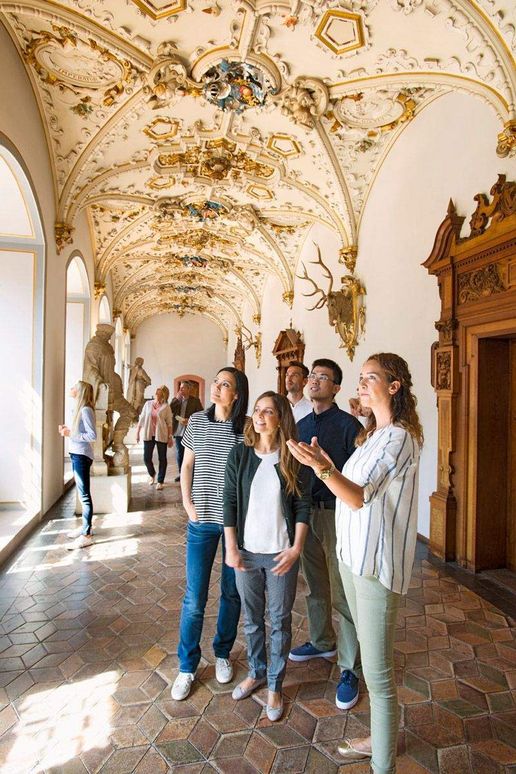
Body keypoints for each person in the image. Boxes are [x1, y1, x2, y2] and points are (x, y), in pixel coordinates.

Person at [287, 353, 423, 774]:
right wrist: (326, 465)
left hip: (376, 567)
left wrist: (323, 468)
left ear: (394, 386)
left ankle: (383, 765)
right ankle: (378, 740)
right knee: (371, 669)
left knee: (379, 675)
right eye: (360, 378)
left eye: (370, 378)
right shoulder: (372, 434)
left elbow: (359, 496)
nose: (361, 384)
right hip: (352, 556)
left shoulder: (400, 437)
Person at [224, 392, 310, 721]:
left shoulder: (293, 457)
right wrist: (231, 547)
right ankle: (257, 671)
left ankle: (275, 684)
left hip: (281, 554)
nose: (260, 417)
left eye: (268, 412)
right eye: (257, 411)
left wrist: (296, 548)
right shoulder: (240, 455)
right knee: (252, 619)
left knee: (279, 622)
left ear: (281, 418)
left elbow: (303, 506)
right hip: (246, 552)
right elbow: (229, 503)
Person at [288, 358, 362, 712]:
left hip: (337, 516)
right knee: (315, 585)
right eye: (313, 375)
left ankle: (350, 668)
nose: (315, 380)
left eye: (324, 377)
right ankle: (321, 640)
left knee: (344, 591)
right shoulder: (299, 425)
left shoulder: (349, 426)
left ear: (336, 388)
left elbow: (358, 477)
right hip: (306, 514)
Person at [172, 367, 249, 701]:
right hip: (202, 518)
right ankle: (187, 667)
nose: (217, 388)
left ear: (237, 393)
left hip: (235, 522)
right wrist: (187, 503)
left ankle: (221, 653)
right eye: (216, 382)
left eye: (225, 385)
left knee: (231, 593)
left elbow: (250, 472)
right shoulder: (198, 422)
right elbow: (186, 465)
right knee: (194, 597)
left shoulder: (244, 428)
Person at [58, 381, 97, 550]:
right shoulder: (79, 409)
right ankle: (84, 528)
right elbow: (79, 432)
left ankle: (86, 535)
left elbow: (92, 435)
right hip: (76, 453)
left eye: (74, 386)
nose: (71, 388)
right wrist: (69, 430)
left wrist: (70, 433)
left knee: (85, 496)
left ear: (80, 391)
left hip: (82, 455)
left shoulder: (86, 410)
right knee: (82, 495)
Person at [136, 385, 173, 490]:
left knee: (162, 458)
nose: (157, 393)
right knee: (146, 458)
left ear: (164, 394)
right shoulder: (148, 404)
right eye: (157, 391)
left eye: (159, 391)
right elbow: (142, 418)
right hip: (149, 434)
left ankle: (160, 481)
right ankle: (152, 474)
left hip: (161, 434)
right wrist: (137, 432)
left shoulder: (166, 406)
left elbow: (169, 423)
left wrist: (170, 437)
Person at [170, 380, 203, 481]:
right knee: (180, 454)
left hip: (190, 432)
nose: (180, 389)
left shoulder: (195, 401)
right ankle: (182, 474)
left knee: (191, 454)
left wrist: (189, 420)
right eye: (180, 387)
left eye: (183, 387)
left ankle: (192, 475)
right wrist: (176, 399)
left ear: (189, 389)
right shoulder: (176, 400)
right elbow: (169, 411)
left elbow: (200, 415)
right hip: (179, 432)